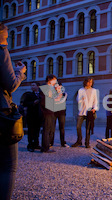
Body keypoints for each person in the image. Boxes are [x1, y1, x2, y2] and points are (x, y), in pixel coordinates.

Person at [0, 22, 27, 200]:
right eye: (6, 36)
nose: (7, 41)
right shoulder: (1, 51)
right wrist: (20, 72)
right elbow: (11, 84)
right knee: (8, 165)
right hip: (1, 113)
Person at [71, 77, 99, 148]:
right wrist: (81, 99)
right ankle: (79, 141)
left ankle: (87, 142)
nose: (90, 84)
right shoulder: (81, 90)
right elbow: (77, 99)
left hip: (89, 111)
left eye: (91, 82)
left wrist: (94, 108)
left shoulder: (94, 90)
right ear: (85, 82)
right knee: (78, 126)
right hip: (82, 111)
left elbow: (95, 101)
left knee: (88, 128)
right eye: (89, 82)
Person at [40, 74, 57, 153]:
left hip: (49, 111)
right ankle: (45, 147)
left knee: (48, 129)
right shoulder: (46, 88)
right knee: (46, 130)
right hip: (47, 112)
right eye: (54, 80)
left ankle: (46, 146)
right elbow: (44, 101)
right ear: (50, 80)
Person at [23, 82, 42, 152]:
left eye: (33, 85)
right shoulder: (29, 95)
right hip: (31, 116)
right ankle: (30, 145)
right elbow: (25, 103)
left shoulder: (41, 95)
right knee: (31, 131)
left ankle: (36, 144)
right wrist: (33, 102)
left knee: (37, 131)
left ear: (38, 86)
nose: (32, 87)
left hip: (39, 116)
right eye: (31, 85)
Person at [52, 82, 69, 147]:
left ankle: (63, 142)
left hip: (62, 112)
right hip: (54, 112)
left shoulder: (64, 94)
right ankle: (51, 142)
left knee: (62, 128)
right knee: (52, 128)